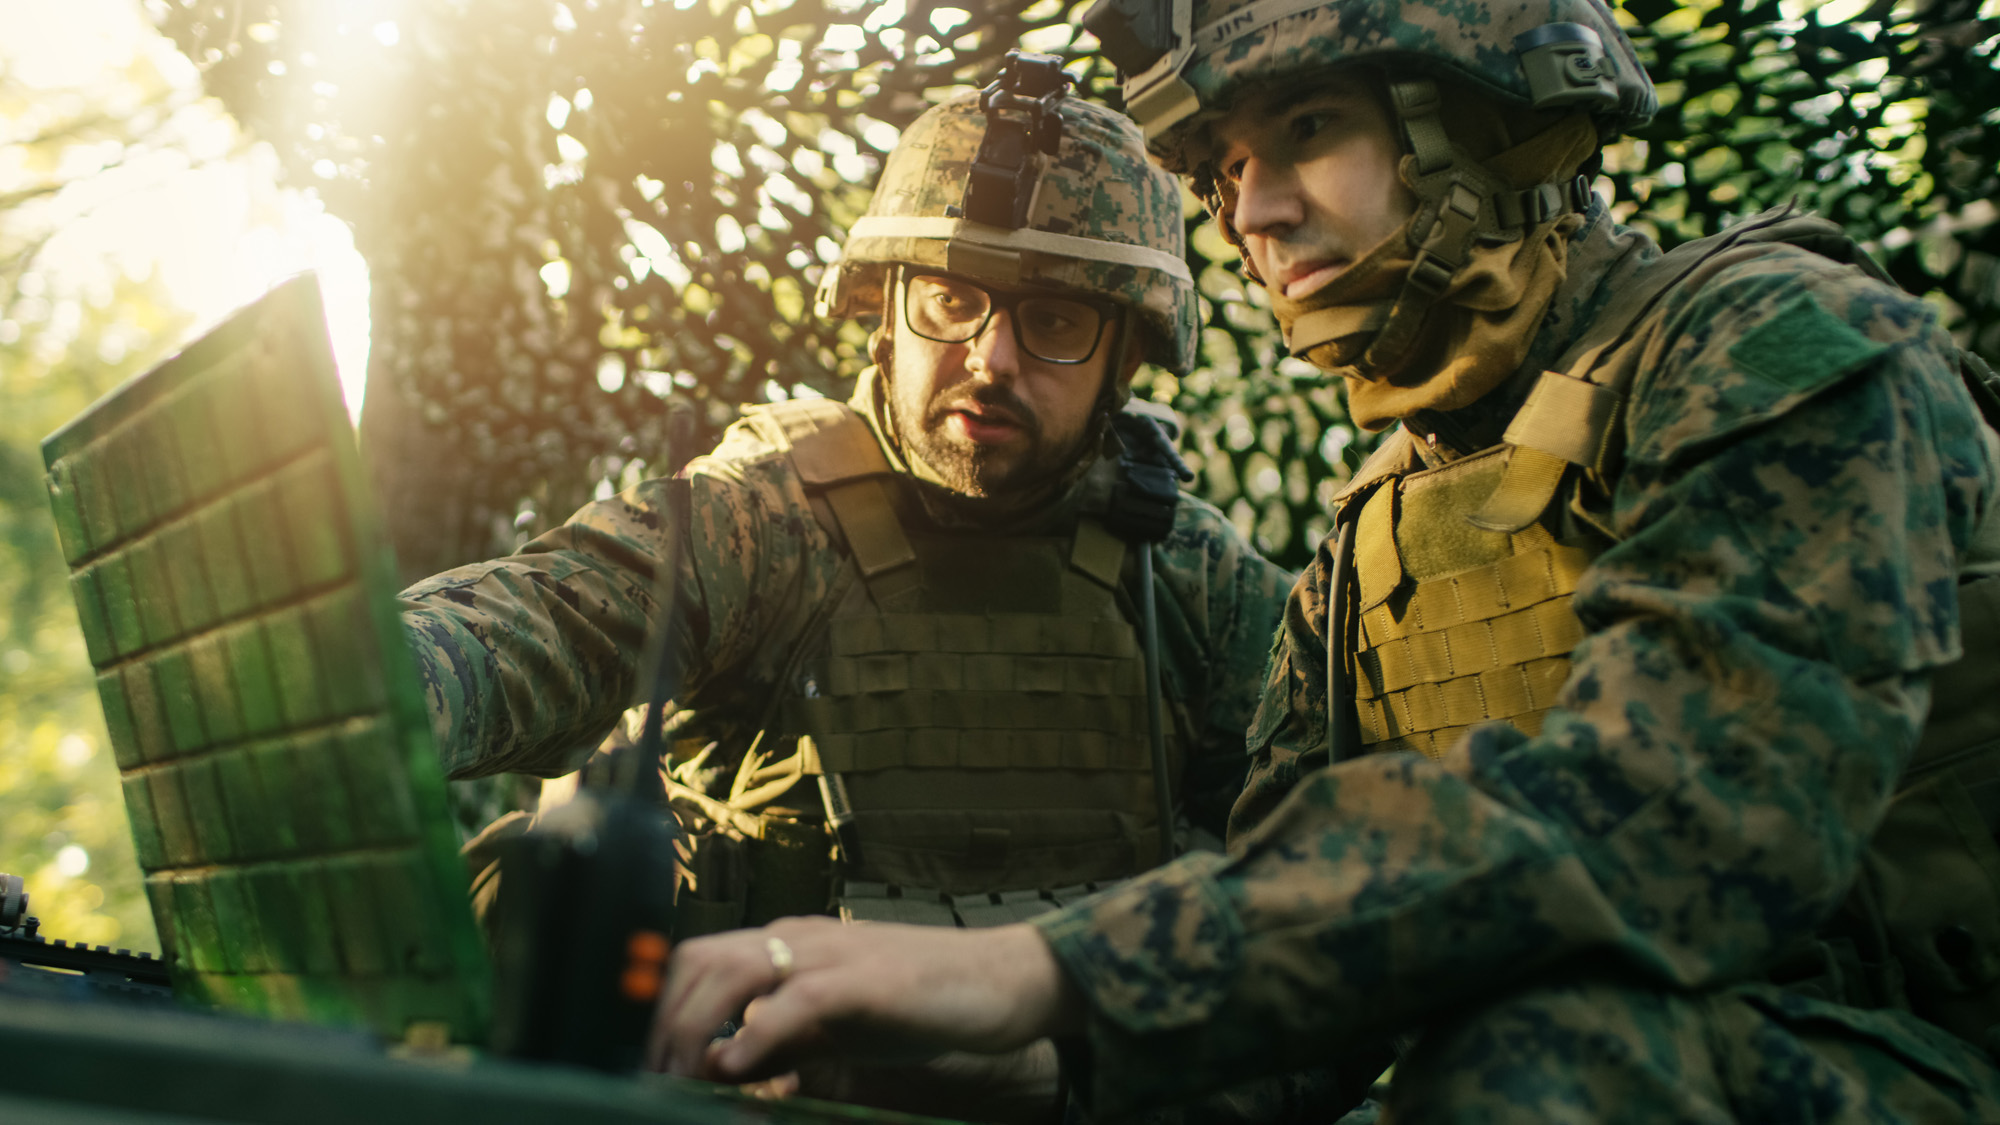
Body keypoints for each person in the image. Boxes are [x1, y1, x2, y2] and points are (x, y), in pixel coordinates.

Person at [648, 2, 2000, 1121]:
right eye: (1229, 170)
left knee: (1546, 1057)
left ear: (1489, 118)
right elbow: (1299, 1004)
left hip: (1914, 1056)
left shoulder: (1780, 349)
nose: (1257, 212)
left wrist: (1048, 971)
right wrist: (1041, 1065)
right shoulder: (1372, 541)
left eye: (1306, 131)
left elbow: (1673, 816)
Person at [400, 51, 1306, 1115]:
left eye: (1052, 323)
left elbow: (1307, 934)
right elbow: (546, 620)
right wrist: (377, 689)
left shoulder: (1192, 583)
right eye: (950, 301)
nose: (987, 359)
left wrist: (1068, 1079)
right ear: (882, 312)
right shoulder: (765, 517)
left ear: (1126, 358)